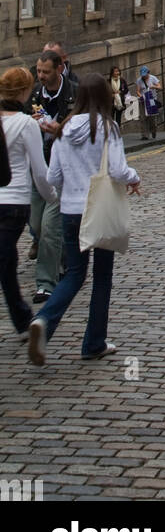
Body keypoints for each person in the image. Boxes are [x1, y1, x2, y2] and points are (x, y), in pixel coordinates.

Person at [27, 74, 141, 366]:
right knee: (102, 277)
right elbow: (117, 170)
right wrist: (134, 178)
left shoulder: (63, 130)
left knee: (75, 274)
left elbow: (53, 177)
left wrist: (68, 193)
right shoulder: (108, 128)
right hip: (99, 209)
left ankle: (44, 320)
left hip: (70, 211)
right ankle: (93, 342)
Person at [0, 68, 57, 338]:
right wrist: (53, 199)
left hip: (9, 202)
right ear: (24, 92)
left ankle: (22, 320)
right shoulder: (26, 124)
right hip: (14, 203)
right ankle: (23, 320)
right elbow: (40, 172)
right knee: (6, 261)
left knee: (6, 261)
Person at [29, 50, 77, 303]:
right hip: (37, 169)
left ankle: (45, 284)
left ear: (59, 69)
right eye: (38, 71)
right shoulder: (34, 94)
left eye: (45, 71)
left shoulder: (74, 93)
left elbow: (84, 124)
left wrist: (61, 129)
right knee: (36, 226)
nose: (41, 76)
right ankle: (67, 259)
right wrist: (30, 122)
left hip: (60, 172)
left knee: (49, 228)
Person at [136, 65, 161, 141]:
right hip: (143, 100)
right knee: (143, 118)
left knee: (152, 118)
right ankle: (145, 135)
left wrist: (154, 87)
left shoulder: (153, 78)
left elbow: (160, 87)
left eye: (145, 75)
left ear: (148, 73)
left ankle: (153, 131)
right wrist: (141, 96)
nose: (144, 76)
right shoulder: (139, 80)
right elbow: (137, 91)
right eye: (142, 75)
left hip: (152, 100)